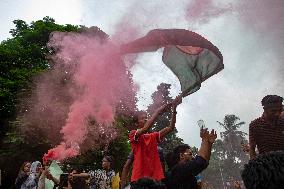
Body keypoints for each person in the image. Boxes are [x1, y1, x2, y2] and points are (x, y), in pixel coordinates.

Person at [129, 95, 182, 186]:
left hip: (154, 179)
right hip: (139, 179)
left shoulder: (153, 136)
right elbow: (145, 129)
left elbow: (170, 128)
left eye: (146, 117)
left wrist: (174, 109)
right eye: (142, 118)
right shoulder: (133, 134)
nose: (146, 119)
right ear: (136, 123)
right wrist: (157, 112)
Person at [249, 95, 284, 159]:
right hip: (266, 165)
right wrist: (254, 166)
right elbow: (252, 149)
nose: (277, 113)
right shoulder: (255, 125)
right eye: (273, 111)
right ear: (265, 109)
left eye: (280, 110)